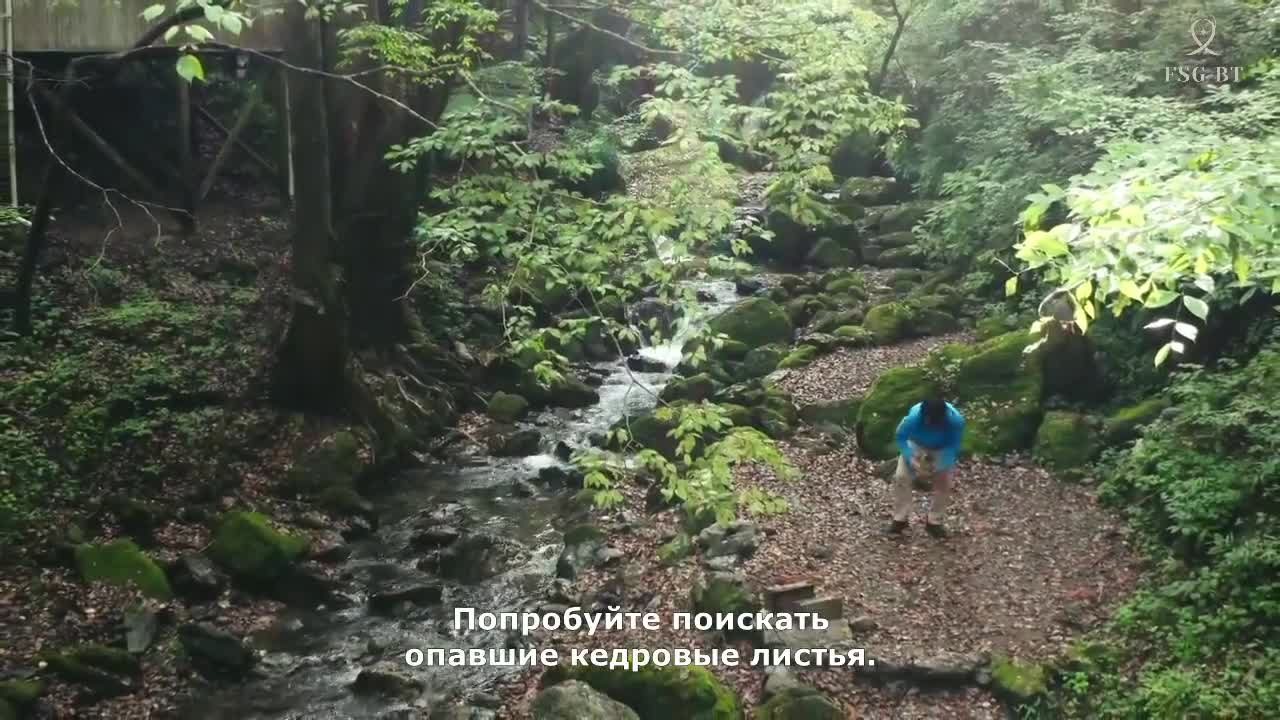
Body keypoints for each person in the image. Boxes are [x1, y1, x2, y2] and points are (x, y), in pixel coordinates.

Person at [885, 395, 965, 538]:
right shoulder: (914, 417)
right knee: (901, 477)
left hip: (942, 448)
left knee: (944, 483)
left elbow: (953, 445)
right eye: (927, 421)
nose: (930, 424)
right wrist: (910, 458)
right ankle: (900, 519)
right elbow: (901, 437)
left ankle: (934, 521)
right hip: (916, 444)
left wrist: (942, 465)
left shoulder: (955, 421)